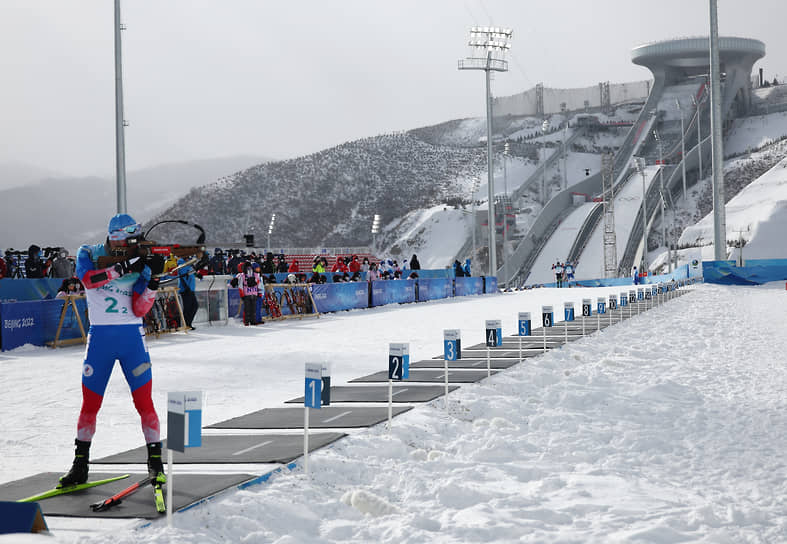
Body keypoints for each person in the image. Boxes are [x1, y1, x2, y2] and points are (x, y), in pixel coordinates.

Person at [59, 213, 165, 488]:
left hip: (132, 338)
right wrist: (124, 267)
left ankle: (155, 464)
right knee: (90, 405)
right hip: (100, 341)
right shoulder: (88, 252)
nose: (134, 246)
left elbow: (139, 309)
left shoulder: (139, 262)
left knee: (144, 403)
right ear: (116, 238)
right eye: (130, 241)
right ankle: (79, 464)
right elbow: (87, 280)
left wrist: (152, 281)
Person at [177, 257, 198, 330]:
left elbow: (192, 273)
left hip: (191, 289)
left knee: (194, 306)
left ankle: (188, 323)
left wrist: (198, 275)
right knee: (188, 307)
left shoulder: (189, 264)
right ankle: (186, 324)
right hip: (186, 289)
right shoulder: (182, 264)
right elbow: (183, 277)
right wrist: (187, 287)